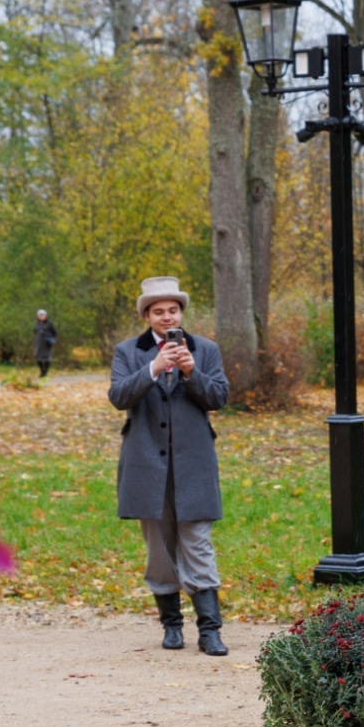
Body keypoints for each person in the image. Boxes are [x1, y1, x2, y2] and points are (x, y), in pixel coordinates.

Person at [108, 276, 232, 656]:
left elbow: (219, 397)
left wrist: (193, 372)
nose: (166, 317)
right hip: (147, 464)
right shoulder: (129, 351)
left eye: (172, 310)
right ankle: (172, 626)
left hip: (193, 463)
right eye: (158, 311)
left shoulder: (205, 349)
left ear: (181, 313)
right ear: (147, 315)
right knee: (159, 549)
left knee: (197, 543)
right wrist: (151, 369)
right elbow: (118, 396)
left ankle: (210, 630)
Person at [34, 310, 57, 378]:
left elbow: (54, 333)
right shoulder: (36, 324)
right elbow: (35, 332)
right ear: (38, 316)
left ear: (46, 316)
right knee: (38, 358)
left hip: (47, 343)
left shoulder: (49, 324)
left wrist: (50, 338)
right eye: (40, 315)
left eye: (43, 315)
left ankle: (45, 372)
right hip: (38, 343)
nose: (42, 317)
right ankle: (42, 370)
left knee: (47, 358)